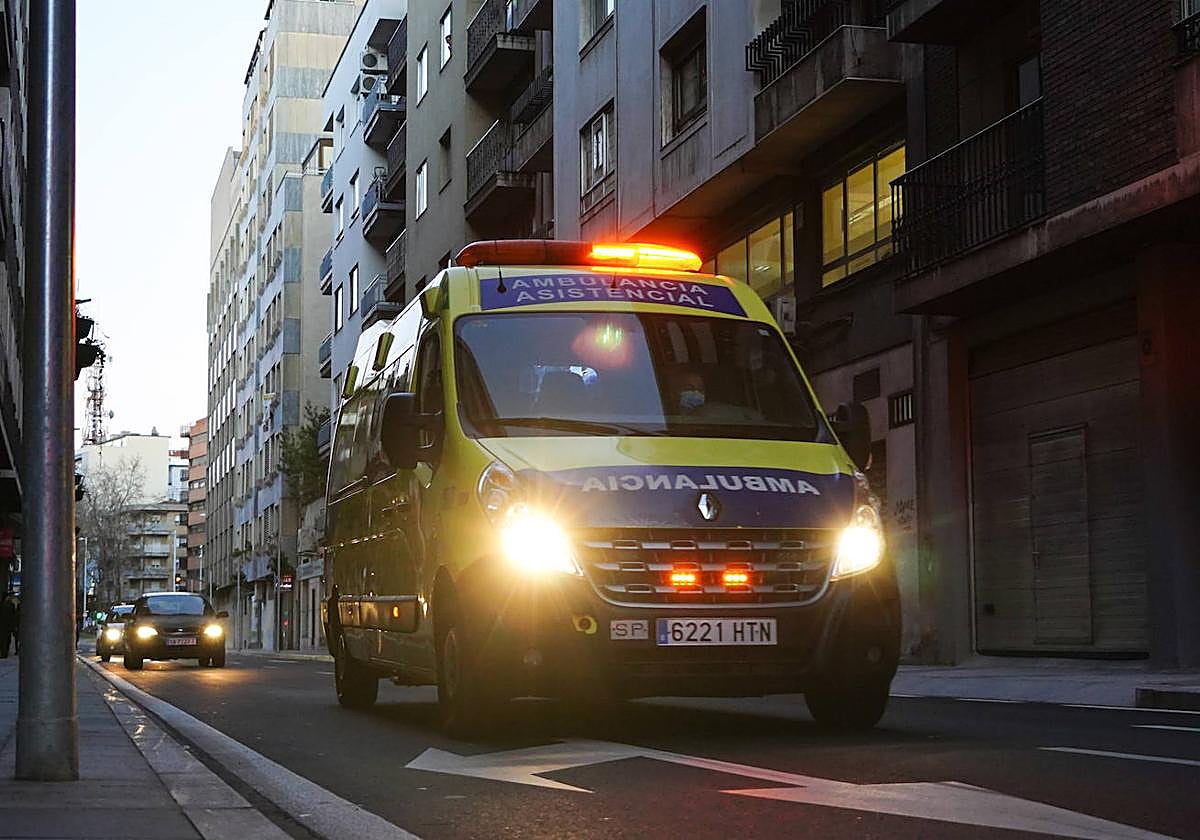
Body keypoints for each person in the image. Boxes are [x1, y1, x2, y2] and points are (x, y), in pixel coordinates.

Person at [0, 592, 17, 658]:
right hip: (6, 626)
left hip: (4, 626)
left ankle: (3, 652)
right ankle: (4, 653)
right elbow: (12, 617)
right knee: (5, 640)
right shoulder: (9, 606)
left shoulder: (5, 605)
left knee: (4, 639)